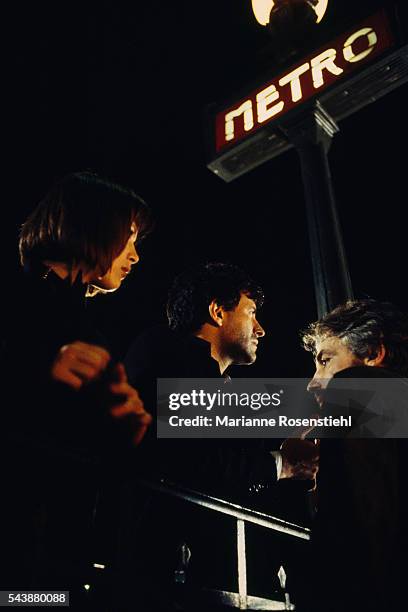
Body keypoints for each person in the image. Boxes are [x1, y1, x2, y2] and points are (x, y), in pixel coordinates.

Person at [119, 263, 318, 610]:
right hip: (181, 580)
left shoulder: (226, 392)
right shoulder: (165, 351)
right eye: (251, 313)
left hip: (242, 581)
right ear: (216, 311)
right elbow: (191, 458)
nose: (261, 330)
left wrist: (292, 465)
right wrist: (281, 464)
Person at [0, 171, 152, 598]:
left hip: (57, 557)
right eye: (130, 235)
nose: (135, 255)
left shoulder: (91, 330)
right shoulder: (18, 296)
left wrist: (128, 428)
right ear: (93, 223)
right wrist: (33, 370)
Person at [301, 298, 408, 611]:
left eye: (325, 360)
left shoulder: (356, 389)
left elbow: (358, 524)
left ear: (373, 353)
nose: (312, 383)